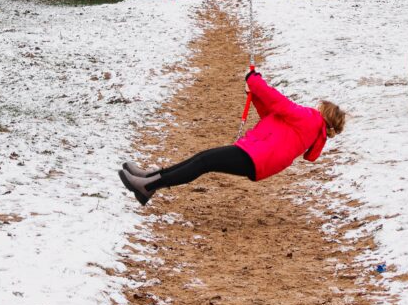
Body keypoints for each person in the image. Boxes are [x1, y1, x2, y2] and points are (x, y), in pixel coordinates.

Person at [118, 70, 346, 206]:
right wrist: (255, 93)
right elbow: (272, 116)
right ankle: (149, 178)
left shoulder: (310, 119)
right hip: (259, 157)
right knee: (203, 159)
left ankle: (148, 186)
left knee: (203, 162)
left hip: (257, 156)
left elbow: (280, 103)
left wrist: (256, 81)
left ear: (324, 113)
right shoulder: (311, 130)